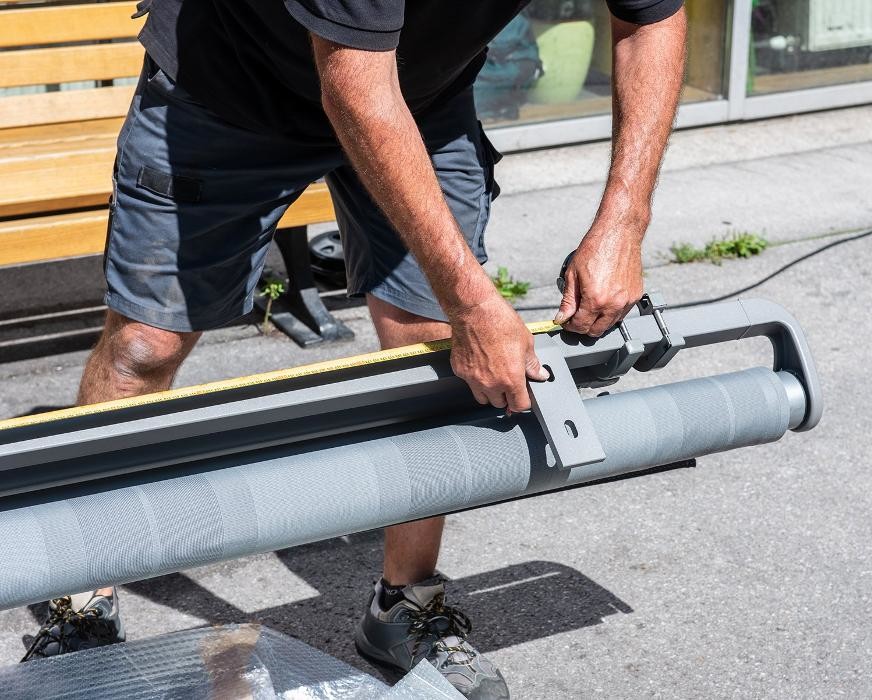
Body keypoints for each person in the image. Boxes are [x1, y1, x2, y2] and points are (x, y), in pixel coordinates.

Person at [21, 0, 687, 696]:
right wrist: (475, 303)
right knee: (143, 347)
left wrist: (624, 222)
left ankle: (405, 604)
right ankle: (82, 602)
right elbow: (354, 86)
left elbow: (651, 16)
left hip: (421, 95)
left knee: (426, 342)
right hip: (230, 88)